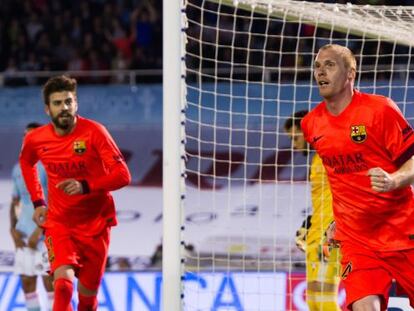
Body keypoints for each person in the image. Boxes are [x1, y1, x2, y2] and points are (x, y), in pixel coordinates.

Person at [301, 43, 414, 311]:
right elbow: (338, 179)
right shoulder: (312, 124)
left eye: (329, 65)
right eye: (317, 66)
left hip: (402, 232)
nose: (320, 72)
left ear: (351, 73)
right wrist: (331, 220)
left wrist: (394, 180)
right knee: (365, 307)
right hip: (357, 240)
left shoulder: (380, 110)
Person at [19, 75, 131, 311]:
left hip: (96, 225)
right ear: (47, 110)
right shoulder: (36, 139)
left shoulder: (95, 132)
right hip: (60, 223)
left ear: (76, 104)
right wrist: (39, 201)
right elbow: (26, 163)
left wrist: (86, 185)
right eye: (58, 103)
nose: (65, 108)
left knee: (87, 301)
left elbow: (123, 175)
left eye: (69, 102)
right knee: (62, 287)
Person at [285, 111, 341, 310]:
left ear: (309, 131)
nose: (294, 144)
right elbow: (325, 198)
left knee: (326, 300)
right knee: (314, 302)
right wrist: (309, 222)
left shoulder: (333, 154)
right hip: (316, 235)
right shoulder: (317, 160)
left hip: (332, 237)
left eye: (296, 137)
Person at [10, 122, 54, 311]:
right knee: (27, 283)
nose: (28, 139)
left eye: (33, 135)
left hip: (44, 236)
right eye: (26, 136)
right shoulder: (17, 169)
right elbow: (16, 202)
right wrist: (13, 230)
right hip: (23, 234)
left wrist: (40, 230)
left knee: (50, 282)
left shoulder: (49, 167)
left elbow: (54, 201)